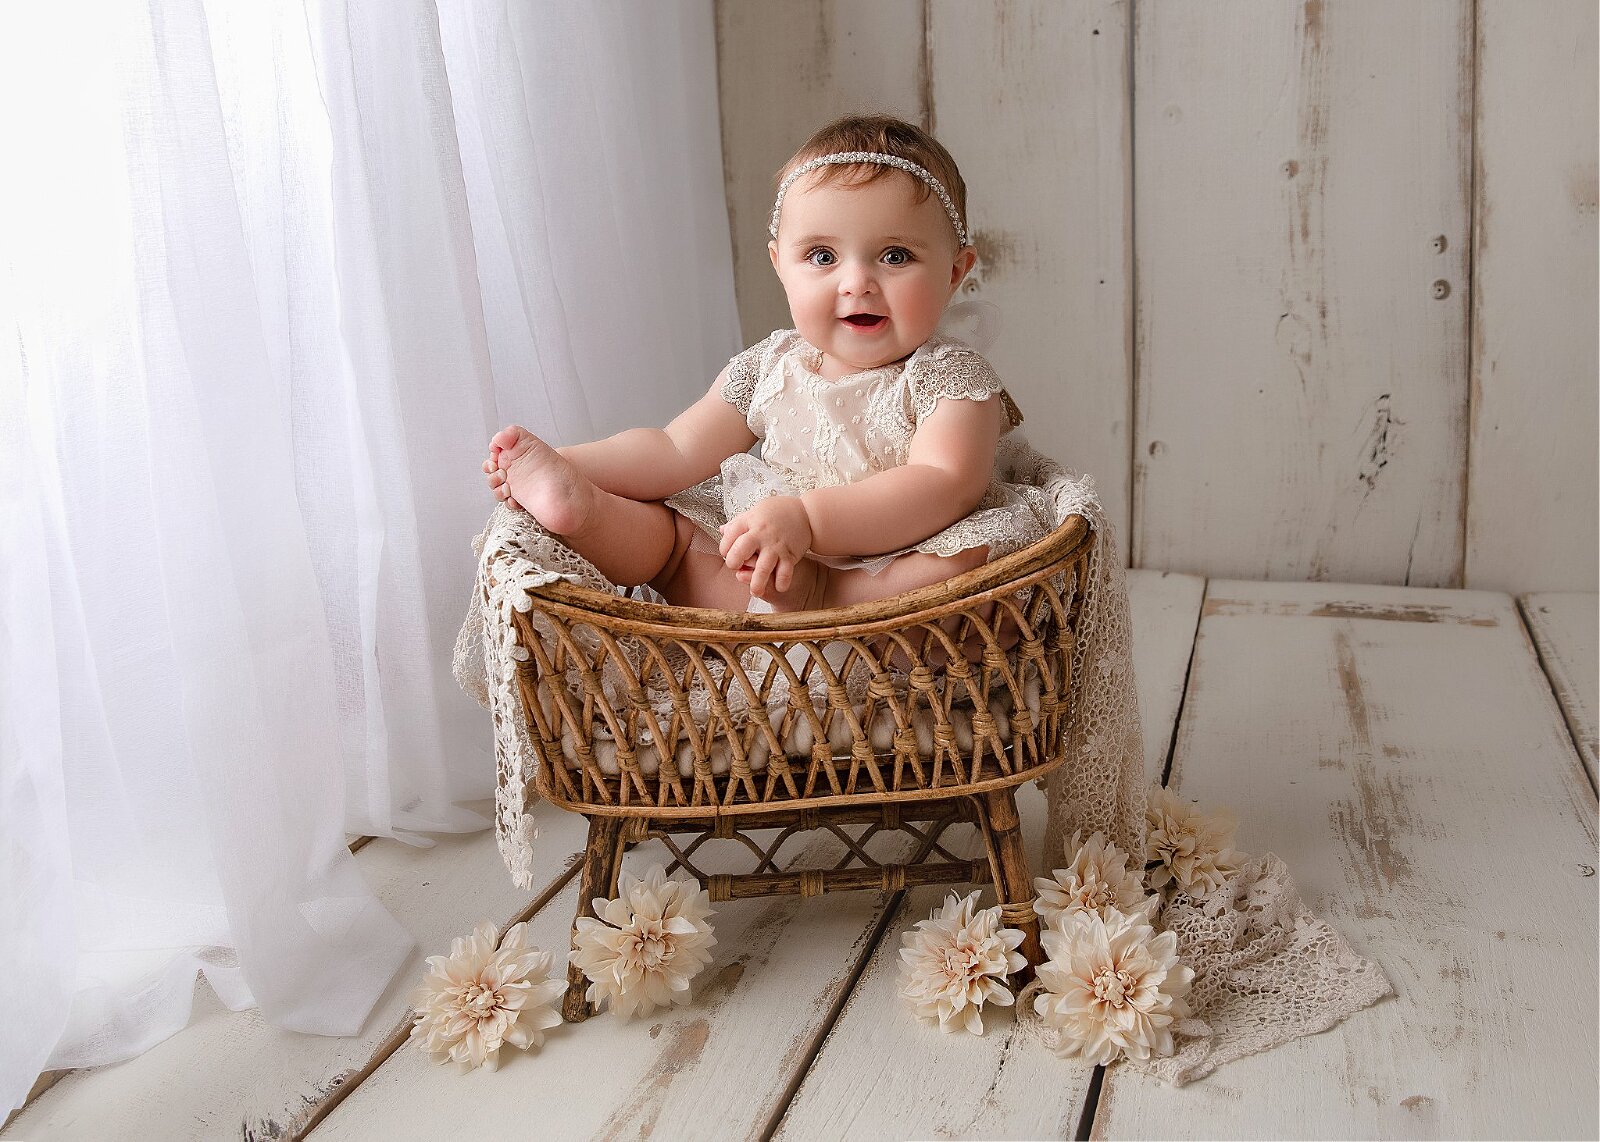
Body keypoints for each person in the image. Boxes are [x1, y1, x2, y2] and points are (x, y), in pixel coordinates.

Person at [481, 114, 1050, 617]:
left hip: (877, 580)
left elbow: (943, 484)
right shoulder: (773, 365)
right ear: (780, 264)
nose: (857, 283)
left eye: (895, 256)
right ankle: (581, 508)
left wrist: (809, 521)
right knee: (674, 541)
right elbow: (674, 450)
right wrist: (573, 461)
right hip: (761, 569)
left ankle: (824, 596)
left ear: (955, 270)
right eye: (822, 257)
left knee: (967, 569)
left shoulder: (952, 378)